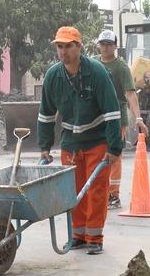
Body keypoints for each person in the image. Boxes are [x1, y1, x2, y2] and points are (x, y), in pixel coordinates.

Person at [38, 26, 122, 255]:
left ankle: (95, 237)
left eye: (68, 46)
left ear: (79, 47)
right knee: (72, 190)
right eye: (59, 47)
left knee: (96, 189)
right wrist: (44, 146)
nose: (63, 51)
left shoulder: (96, 72)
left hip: (97, 139)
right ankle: (78, 235)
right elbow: (46, 114)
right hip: (71, 142)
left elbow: (112, 112)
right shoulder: (53, 76)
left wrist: (114, 147)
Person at [93, 29, 148, 210]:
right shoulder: (93, 64)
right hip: (97, 117)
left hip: (117, 119)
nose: (106, 48)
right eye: (103, 44)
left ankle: (113, 195)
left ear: (115, 46)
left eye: (109, 44)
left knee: (114, 155)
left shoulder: (121, 67)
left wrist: (138, 118)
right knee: (97, 154)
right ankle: (99, 192)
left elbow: (130, 94)